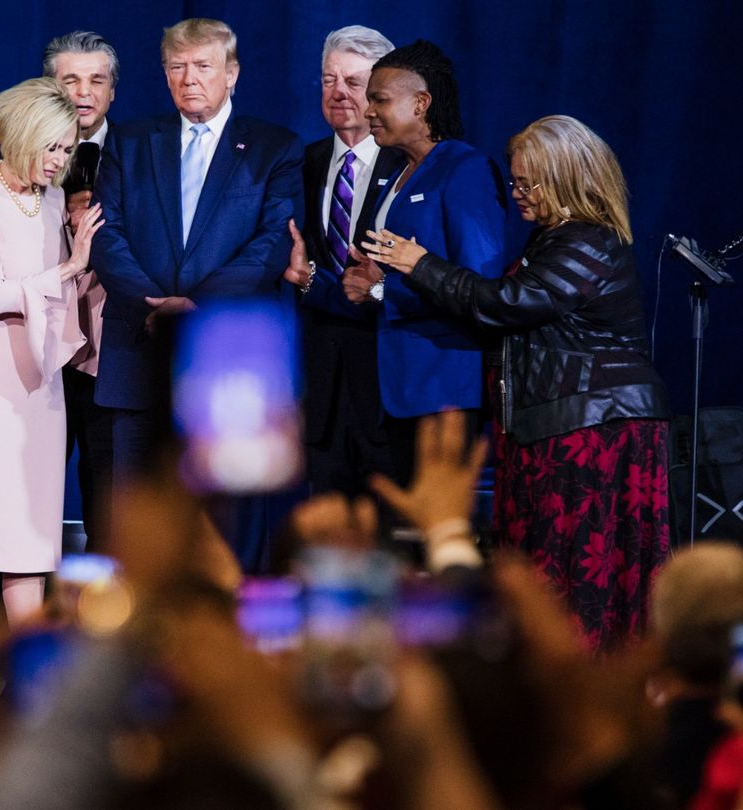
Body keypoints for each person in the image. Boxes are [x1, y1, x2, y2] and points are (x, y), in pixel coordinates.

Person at [363, 114, 672, 648]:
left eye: (529, 183)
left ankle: (583, 687)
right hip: (554, 427)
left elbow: (507, 304)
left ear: (568, 178)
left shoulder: (589, 243)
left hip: (593, 432)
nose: (517, 193)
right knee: (541, 575)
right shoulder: (552, 240)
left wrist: (421, 264)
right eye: (515, 181)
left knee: (579, 575)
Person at [90, 17, 302, 572]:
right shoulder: (131, 142)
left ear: (231, 73)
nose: (189, 79)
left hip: (225, 366)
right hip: (138, 349)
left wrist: (195, 310)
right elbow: (105, 236)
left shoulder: (273, 148)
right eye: (177, 68)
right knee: (135, 532)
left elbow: (270, 245)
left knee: (224, 538)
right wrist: (153, 305)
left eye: (203, 66)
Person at [0, 78, 103, 627]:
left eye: (67, 147)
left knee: (31, 531)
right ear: (21, 137)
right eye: (52, 146)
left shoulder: (54, 197)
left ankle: (29, 674)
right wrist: (68, 266)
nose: (60, 160)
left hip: (42, 378)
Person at [342, 40, 504, 486]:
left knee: (437, 532)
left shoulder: (464, 169)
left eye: (380, 99)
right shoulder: (399, 171)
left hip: (444, 388)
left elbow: (479, 285)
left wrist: (380, 289)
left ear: (421, 103)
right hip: (399, 384)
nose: (367, 109)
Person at [281, 25, 402, 498]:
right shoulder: (300, 164)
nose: (337, 92)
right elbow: (300, 271)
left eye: (352, 82)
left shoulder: (409, 165)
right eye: (328, 80)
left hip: (387, 388)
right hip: (321, 389)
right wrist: (306, 279)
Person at [42, 29, 119, 550]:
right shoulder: (18, 159)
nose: (83, 92)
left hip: (111, 353)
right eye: (70, 80)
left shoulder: (142, 157)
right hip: (37, 350)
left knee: (108, 492)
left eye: (96, 80)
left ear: (113, 90)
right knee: (32, 491)